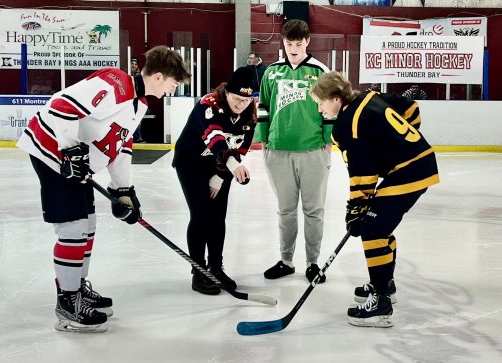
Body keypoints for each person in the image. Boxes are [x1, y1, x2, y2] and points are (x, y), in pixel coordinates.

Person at [17, 46, 190, 333]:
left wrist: (123, 189)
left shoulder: (139, 104)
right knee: (73, 228)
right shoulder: (116, 83)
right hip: (53, 156)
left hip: (74, 164)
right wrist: (71, 150)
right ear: (159, 77)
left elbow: (120, 147)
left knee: (89, 224)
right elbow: (62, 105)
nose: (171, 91)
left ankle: (76, 289)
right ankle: (67, 303)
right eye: (173, 84)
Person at [309, 71, 439, 327]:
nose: (319, 108)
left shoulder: (347, 124)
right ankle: (385, 284)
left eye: (320, 102)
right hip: (419, 163)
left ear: (335, 98)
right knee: (380, 226)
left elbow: (362, 172)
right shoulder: (371, 96)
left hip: (409, 171)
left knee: (372, 229)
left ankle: (381, 303)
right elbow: (411, 108)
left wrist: (356, 209)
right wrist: (399, 144)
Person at [254, 19, 332, 284]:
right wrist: (263, 140)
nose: (294, 48)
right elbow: (263, 107)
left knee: (313, 210)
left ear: (307, 41)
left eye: (299, 43)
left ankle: (313, 263)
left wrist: (328, 141)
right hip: (277, 150)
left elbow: (330, 108)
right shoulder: (271, 72)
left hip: (312, 151)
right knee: (285, 210)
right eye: (289, 44)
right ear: (283, 43)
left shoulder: (320, 71)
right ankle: (286, 260)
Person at [172, 67, 256, 295]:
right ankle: (199, 272)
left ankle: (216, 268)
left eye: (247, 100)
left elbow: (240, 147)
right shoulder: (208, 105)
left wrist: (220, 177)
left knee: (218, 216)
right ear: (226, 92)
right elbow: (215, 138)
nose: (241, 104)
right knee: (200, 215)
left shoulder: (250, 113)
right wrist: (233, 165)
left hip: (220, 166)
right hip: (191, 162)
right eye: (237, 98)